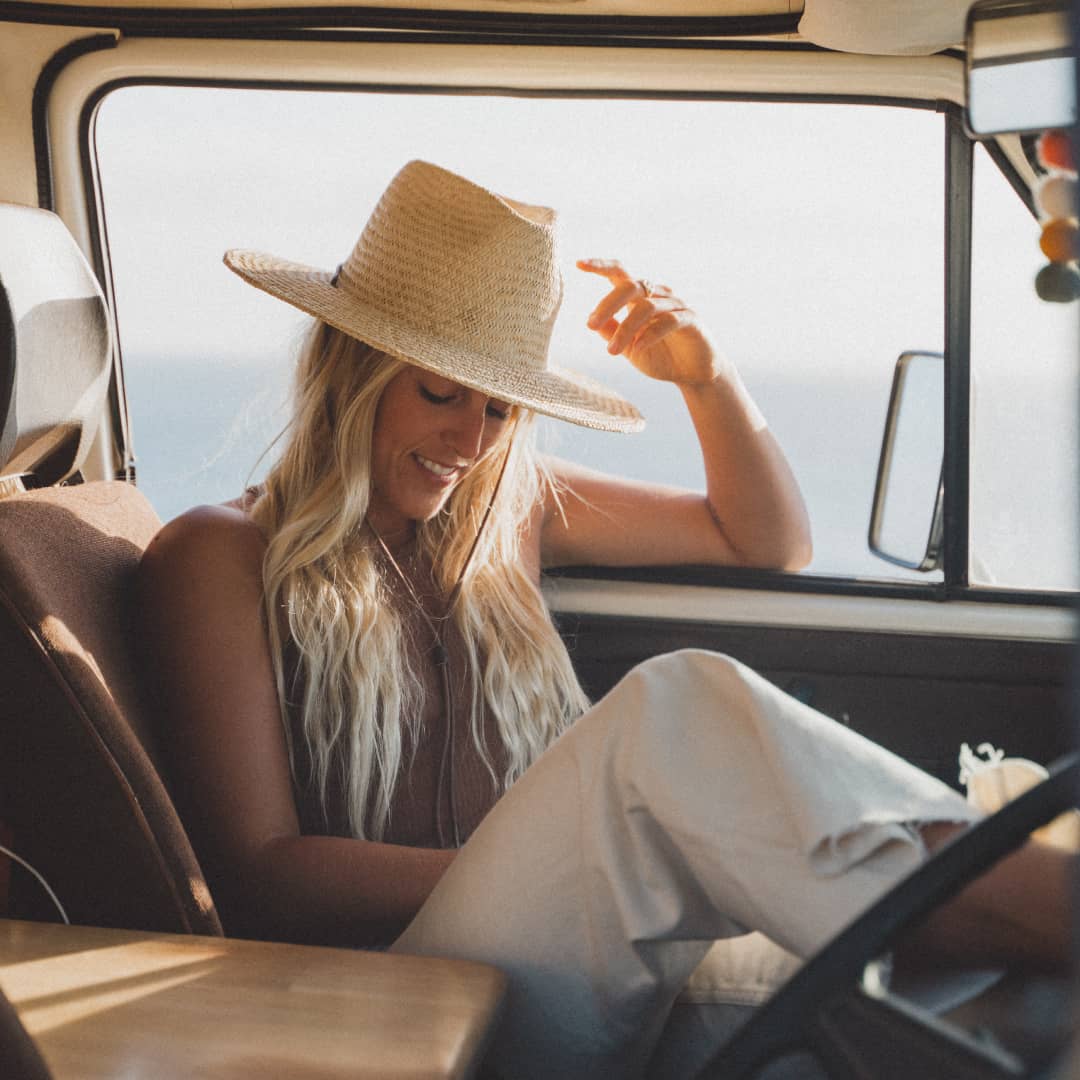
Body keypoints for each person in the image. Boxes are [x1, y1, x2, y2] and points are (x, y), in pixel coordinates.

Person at [139, 160, 1072, 1079]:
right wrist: (587, 857)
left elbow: (763, 538)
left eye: (501, 407)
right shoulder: (222, 555)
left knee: (982, 994)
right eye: (441, 392)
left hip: (579, 954)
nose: (472, 443)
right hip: (399, 983)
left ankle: (1027, 905)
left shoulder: (508, 516)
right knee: (675, 703)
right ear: (353, 368)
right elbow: (262, 874)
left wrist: (707, 379)